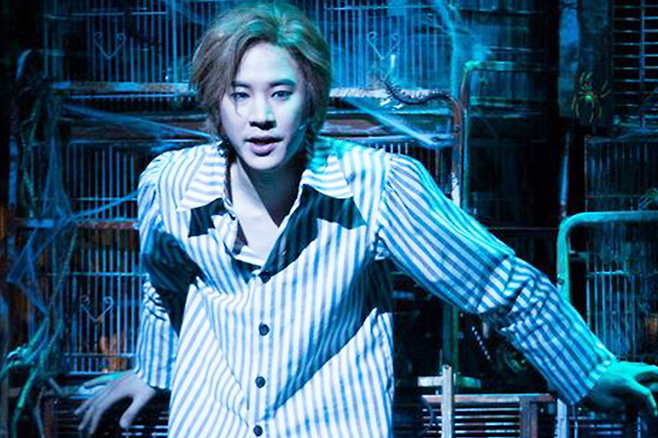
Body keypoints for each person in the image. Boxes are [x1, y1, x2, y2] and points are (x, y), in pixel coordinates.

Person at [75, 1, 658, 437]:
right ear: (215, 103)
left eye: (280, 93)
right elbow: (164, 282)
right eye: (240, 95)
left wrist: (587, 371)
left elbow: (494, 282)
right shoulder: (172, 185)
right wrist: (154, 369)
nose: (260, 116)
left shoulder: (374, 187)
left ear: (311, 98)